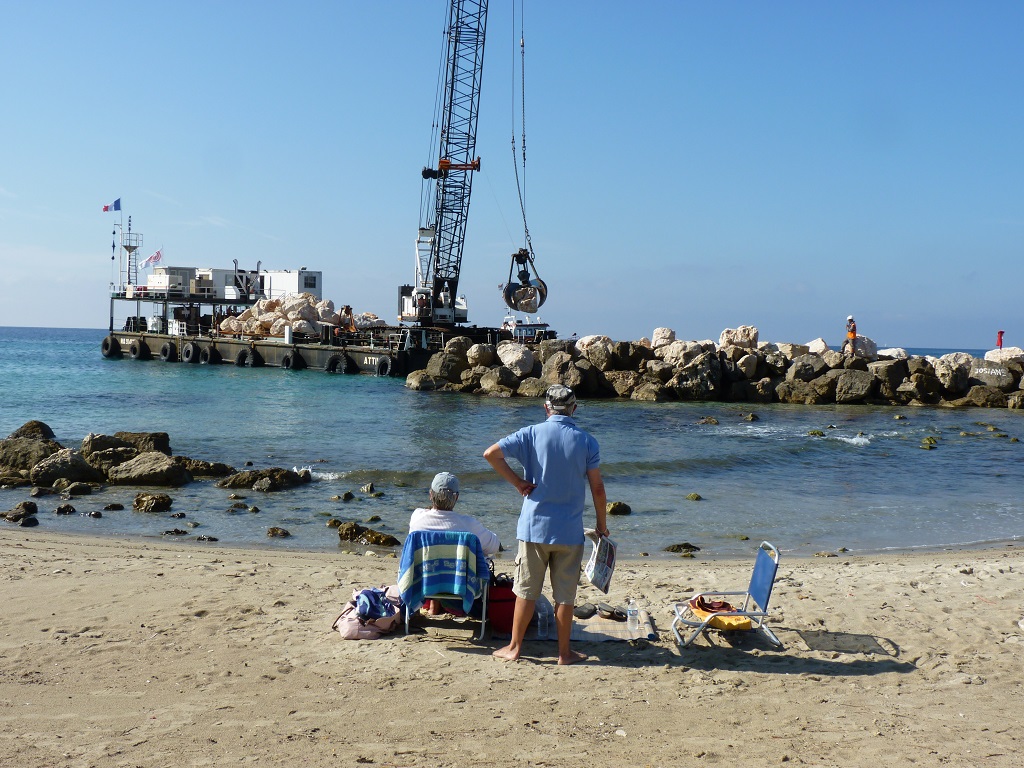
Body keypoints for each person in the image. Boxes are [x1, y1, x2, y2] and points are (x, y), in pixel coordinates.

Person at [483, 384, 608, 665]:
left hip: (534, 528)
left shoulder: (530, 433)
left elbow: (491, 454)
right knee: (565, 596)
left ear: (546, 408)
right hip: (569, 531)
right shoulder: (587, 441)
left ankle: (514, 648)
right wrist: (601, 525)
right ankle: (564, 653)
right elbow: (598, 489)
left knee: (526, 591)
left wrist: (518, 483)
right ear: (574, 409)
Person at [408, 471, 500, 557]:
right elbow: (495, 547)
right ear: (456, 497)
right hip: (459, 574)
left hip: (424, 573)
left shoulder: (417, 517)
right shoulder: (469, 525)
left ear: (431, 494)